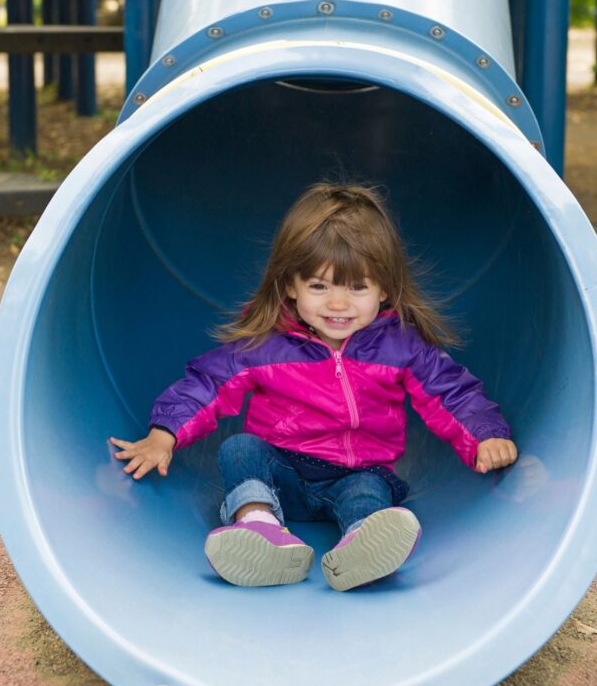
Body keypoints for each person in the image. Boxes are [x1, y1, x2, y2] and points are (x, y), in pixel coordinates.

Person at [109, 183, 518, 591]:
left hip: (357, 473)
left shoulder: (400, 345)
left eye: (357, 287)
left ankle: (363, 545)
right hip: (282, 475)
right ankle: (260, 527)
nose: (338, 304)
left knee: (370, 493)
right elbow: (209, 382)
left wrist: (485, 435)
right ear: (291, 285)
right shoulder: (266, 344)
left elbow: (451, 391)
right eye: (319, 287)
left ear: (385, 289)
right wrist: (165, 433)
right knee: (240, 451)